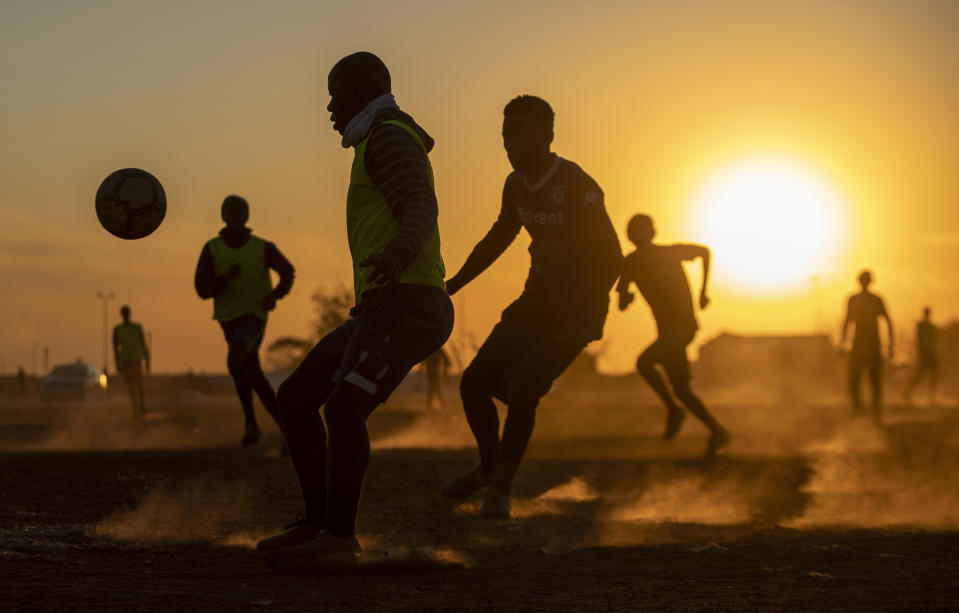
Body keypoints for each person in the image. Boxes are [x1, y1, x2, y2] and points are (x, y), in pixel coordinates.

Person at [256, 52, 453, 562]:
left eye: (334, 93)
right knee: (298, 396)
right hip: (382, 305)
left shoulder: (388, 136)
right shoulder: (374, 139)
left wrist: (394, 257)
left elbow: (419, 206)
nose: (327, 106)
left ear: (362, 92)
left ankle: (339, 540)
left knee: (343, 408)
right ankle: (319, 526)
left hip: (409, 302)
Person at [441, 95, 622, 518]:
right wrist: (451, 285)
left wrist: (585, 319)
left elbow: (611, 257)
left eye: (521, 135)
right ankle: (488, 468)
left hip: (575, 313)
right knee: (473, 385)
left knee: (523, 389)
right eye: (506, 136)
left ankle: (500, 492)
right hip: (533, 304)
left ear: (548, 136)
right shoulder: (515, 185)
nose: (511, 145)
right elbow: (497, 240)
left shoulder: (578, 184)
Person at [616, 214, 729, 455]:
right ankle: (718, 431)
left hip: (684, 328)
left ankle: (674, 411)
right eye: (633, 232)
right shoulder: (629, 264)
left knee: (644, 362)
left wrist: (703, 290)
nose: (638, 236)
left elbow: (705, 252)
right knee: (682, 390)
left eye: (642, 230)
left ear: (652, 233)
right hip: (667, 333)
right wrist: (626, 298)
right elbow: (621, 301)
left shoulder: (669, 253)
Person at [194, 195, 295, 446]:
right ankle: (275, 429)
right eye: (231, 212)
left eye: (240, 212)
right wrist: (225, 279)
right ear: (224, 216)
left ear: (247, 216)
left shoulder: (262, 247)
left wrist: (275, 296)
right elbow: (202, 289)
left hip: (254, 316)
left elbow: (288, 271)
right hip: (228, 319)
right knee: (248, 371)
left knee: (237, 358)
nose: (236, 217)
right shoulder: (212, 248)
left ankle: (262, 428)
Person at [840, 269, 893, 421]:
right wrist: (843, 343)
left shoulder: (875, 299)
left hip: (872, 343)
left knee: (873, 379)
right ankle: (857, 407)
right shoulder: (854, 299)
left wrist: (890, 345)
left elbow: (888, 321)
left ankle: (875, 409)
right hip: (859, 342)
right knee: (855, 378)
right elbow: (847, 321)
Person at [112, 305, 150, 416]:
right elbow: (115, 348)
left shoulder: (137, 327)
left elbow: (143, 344)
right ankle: (136, 409)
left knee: (139, 386)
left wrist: (147, 360)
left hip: (136, 361)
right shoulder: (118, 330)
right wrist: (117, 364)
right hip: (127, 363)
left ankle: (142, 407)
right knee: (131, 388)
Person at [905, 306, 938, 406]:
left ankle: (930, 397)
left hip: (930, 352)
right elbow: (919, 339)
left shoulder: (930, 326)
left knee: (932, 375)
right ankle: (908, 392)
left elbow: (933, 340)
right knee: (921, 375)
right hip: (924, 352)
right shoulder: (922, 325)